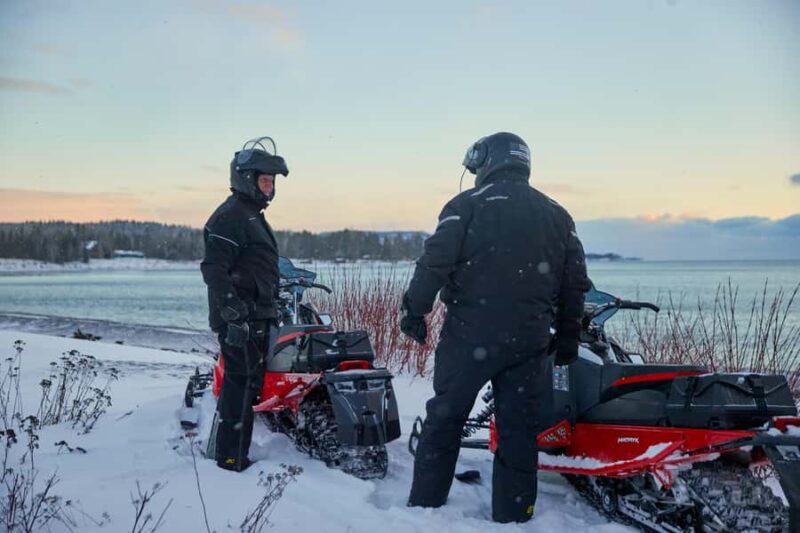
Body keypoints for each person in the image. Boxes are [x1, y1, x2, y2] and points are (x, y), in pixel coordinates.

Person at [401, 132, 590, 522]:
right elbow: (574, 283)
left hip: (470, 335)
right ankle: (515, 515)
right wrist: (568, 335)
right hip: (529, 341)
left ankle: (425, 507)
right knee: (518, 430)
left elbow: (434, 263)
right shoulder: (557, 214)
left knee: (446, 418)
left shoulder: (465, 205)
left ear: (486, 162)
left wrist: (414, 311)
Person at [200, 136, 288, 472]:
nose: (269, 187)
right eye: (264, 180)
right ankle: (231, 459)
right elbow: (214, 269)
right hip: (240, 318)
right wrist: (232, 313)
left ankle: (236, 453)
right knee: (239, 385)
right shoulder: (230, 216)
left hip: (257, 314)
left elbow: (254, 266)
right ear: (246, 179)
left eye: (271, 181)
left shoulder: (252, 215)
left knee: (249, 385)